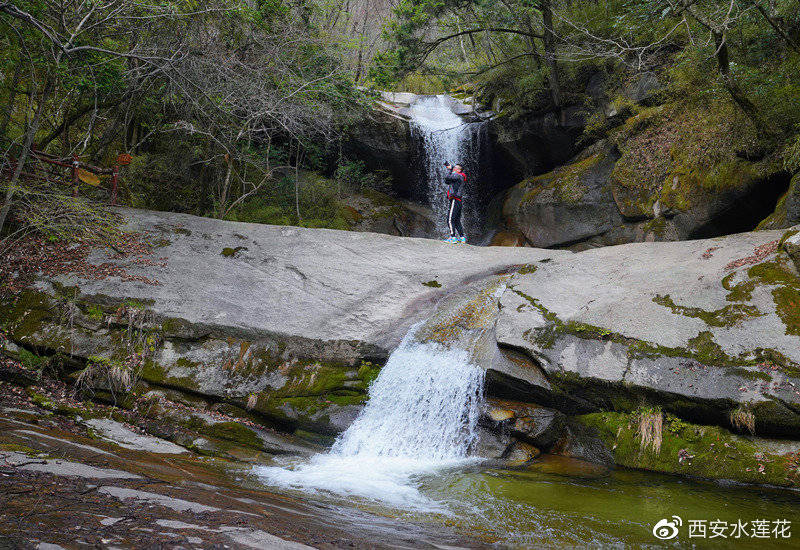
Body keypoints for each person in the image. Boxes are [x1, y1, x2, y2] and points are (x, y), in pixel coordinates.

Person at [444, 163, 466, 243]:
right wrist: (451, 169)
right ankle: (462, 237)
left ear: (459, 170)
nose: (453, 168)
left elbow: (447, 177)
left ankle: (453, 237)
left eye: (455, 168)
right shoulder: (457, 177)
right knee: (456, 220)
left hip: (455, 200)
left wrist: (450, 169)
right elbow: (446, 181)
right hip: (458, 201)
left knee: (449, 220)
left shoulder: (459, 175)